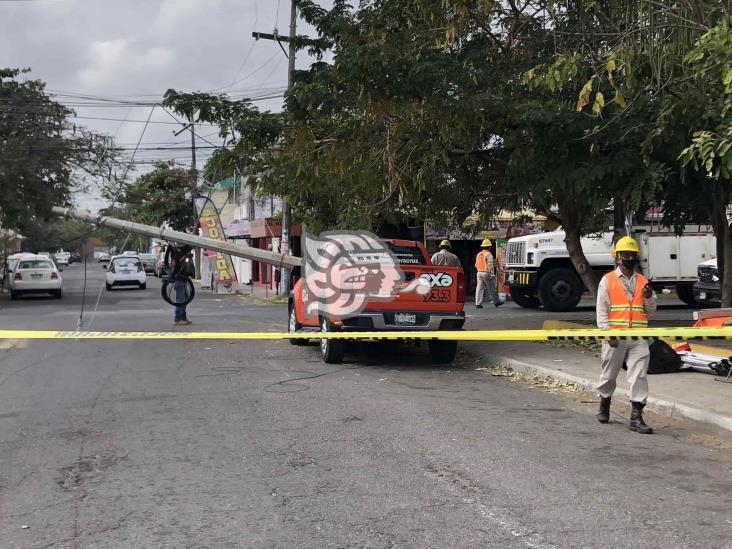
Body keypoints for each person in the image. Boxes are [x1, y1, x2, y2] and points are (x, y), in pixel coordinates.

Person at [596, 236, 657, 434]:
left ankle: (636, 417)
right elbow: (602, 312)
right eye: (625, 254)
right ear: (618, 257)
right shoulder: (608, 280)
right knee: (609, 375)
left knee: (639, 375)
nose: (629, 257)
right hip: (615, 338)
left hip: (638, 338)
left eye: (632, 254)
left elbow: (651, 311)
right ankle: (604, 404)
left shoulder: (643, 282)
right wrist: (608, 335)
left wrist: (648, 297)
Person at [475, 239, 503, 308]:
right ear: (489, 247)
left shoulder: (479, 254)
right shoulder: (488, 254)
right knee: (492, 288)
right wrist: (492, 274)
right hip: (486, 273)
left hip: (479, 273)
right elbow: (490, 265)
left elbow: (476, 264)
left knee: (479, 289)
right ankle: (497, 302)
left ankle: (478, 303)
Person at [171, 247, 195, 326]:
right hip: (179, 280)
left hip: (184, 280)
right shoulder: (175, 254)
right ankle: (178, 319)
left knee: (186, 299)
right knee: (180, 300)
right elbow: (175, 264)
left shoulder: (184, 254)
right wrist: (184, 257)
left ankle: (183, 318)